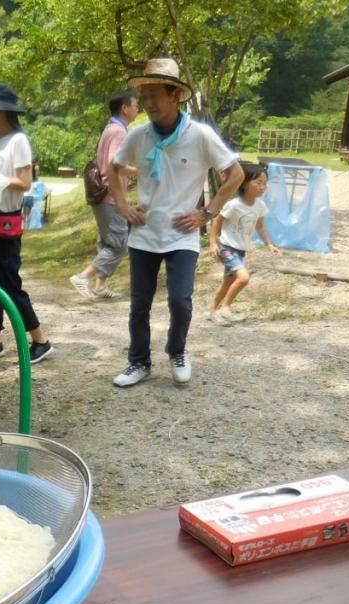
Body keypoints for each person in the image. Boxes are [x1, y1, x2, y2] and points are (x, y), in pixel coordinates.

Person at [107, 58, 244, 388]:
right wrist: (123, 205)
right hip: (144, 234)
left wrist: (207, 212)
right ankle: (138, 362)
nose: (149, 103)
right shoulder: (139, 136)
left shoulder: (200, 136)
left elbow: (236, 174)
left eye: (156, 95)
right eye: (145, 96)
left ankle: (177, 351)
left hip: (182, 235)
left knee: (180, 301)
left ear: (175, 96)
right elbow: (114, 167)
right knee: (140, 304)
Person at [0, 83, 55, 365]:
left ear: (1, 112)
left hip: (4, 223)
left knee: (8, 283)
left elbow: (25, 183)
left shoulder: (19, 141)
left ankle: (40, 340)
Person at [70, 89, 140, 300]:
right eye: (135, 105)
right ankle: (84, 277)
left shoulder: (111, 128)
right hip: (111, 196)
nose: (138, 109)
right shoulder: (119, 132)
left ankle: (101, 286)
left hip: (104, 195)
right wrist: (140, 170)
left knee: (108, 242)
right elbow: (113, 164)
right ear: (125, 108)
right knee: (119, 244)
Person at [207, 164, 281, 323]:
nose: (262, 187)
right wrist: (213, 243)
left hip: (241, 251)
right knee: (244, 277)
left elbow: (260, 226)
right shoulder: (234, 205)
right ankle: (226, 307)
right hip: (226, 248)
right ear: (245, 183)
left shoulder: (260, 206)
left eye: (265, 183)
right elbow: (216, 221)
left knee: (228, 283)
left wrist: (269, 244)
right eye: (258, 182)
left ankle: (212, 310)